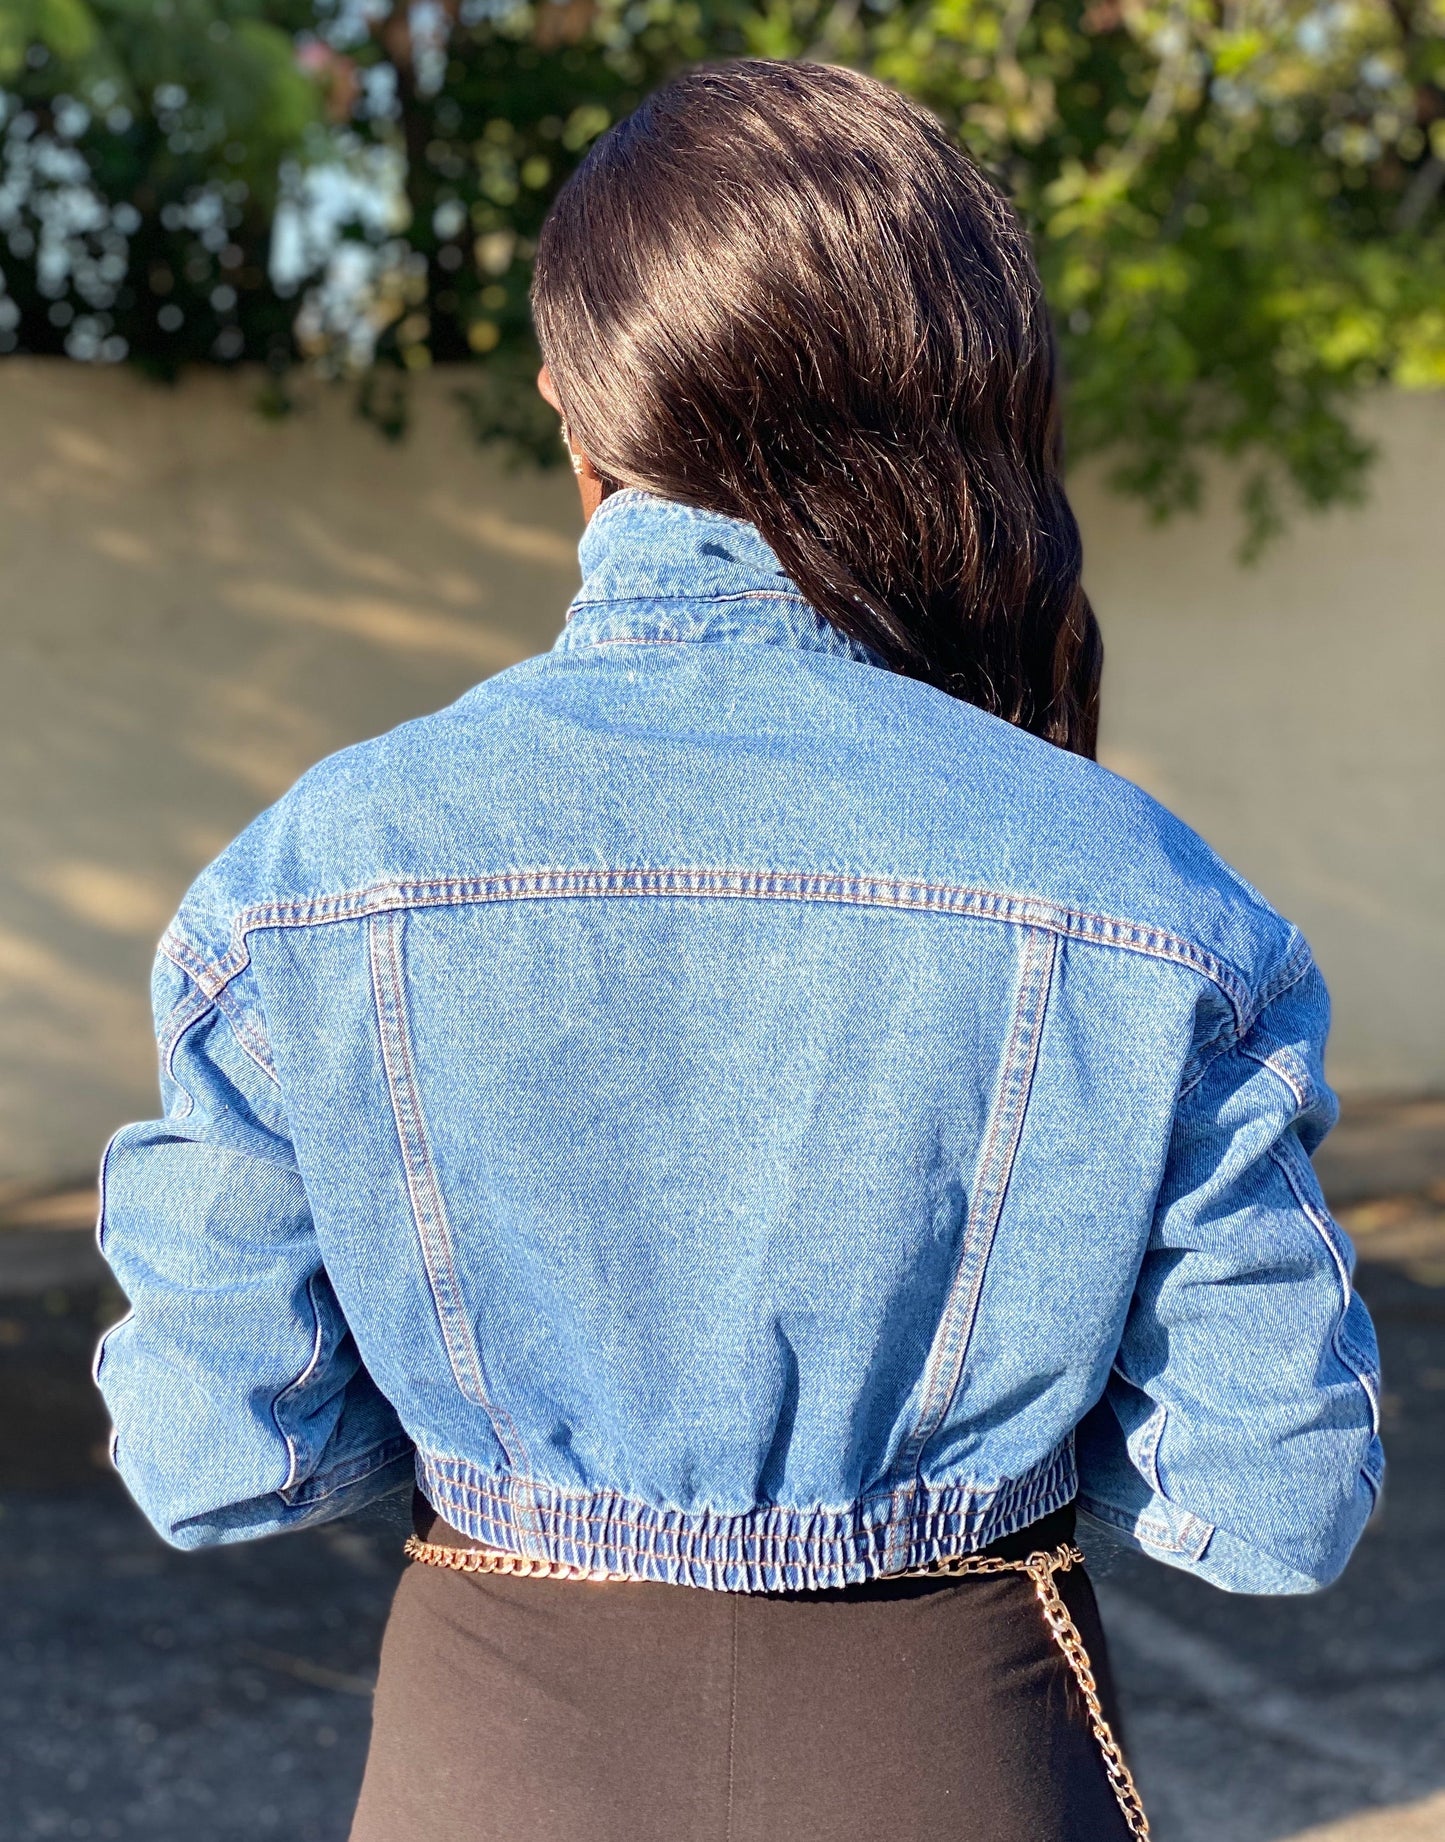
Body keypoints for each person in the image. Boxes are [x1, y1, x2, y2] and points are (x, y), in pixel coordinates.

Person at [94, 59, 1383, 1842]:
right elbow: (1272, 1494)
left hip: (493, 1748)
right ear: (956, 406)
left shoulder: (314, 871)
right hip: (952, 1747)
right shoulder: (1144, 896)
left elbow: (212, 1448)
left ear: (573, 411)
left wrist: (521, 1419)